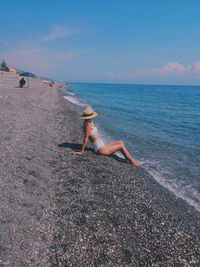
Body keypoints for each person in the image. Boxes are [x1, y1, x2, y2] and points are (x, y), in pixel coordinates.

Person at [73, 108, 141, 166]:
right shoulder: (88, 124)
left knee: (120, 142)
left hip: (102, 145)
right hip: (100, 149)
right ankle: (131, 161)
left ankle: (127, 158)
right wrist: (81, 151)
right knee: (121, 146)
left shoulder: (89, 122)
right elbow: (86, 138)